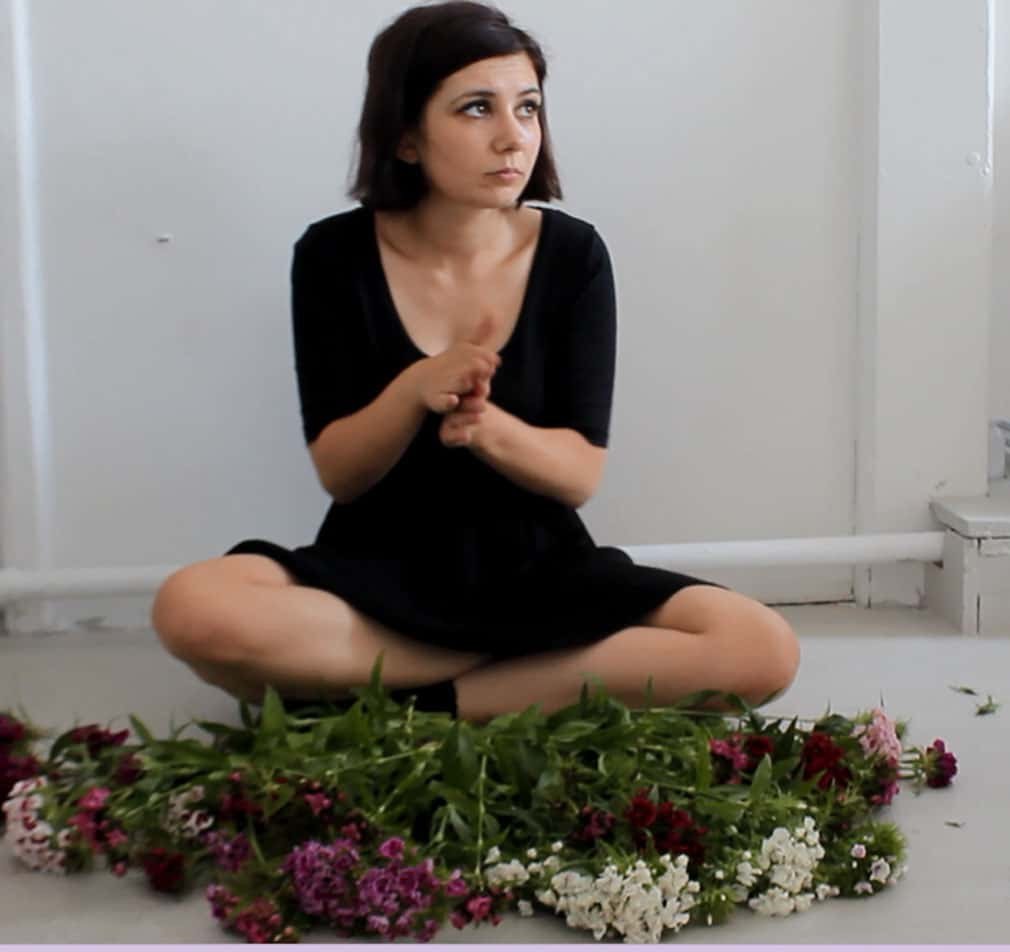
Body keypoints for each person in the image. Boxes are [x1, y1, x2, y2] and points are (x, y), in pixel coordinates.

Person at [150, 0, 800, 723]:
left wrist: (485, 425)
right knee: (193, 608)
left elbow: (580, 474)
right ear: (405, 138)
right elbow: (341, 471)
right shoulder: (333, 256)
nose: (511, 137)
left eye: (527, 108)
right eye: (475, 109)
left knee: (760, 649)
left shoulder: (572, 255)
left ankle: (427, 707)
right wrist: (415, 390)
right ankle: (526, 674)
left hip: (538, 571)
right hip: (379, 566)